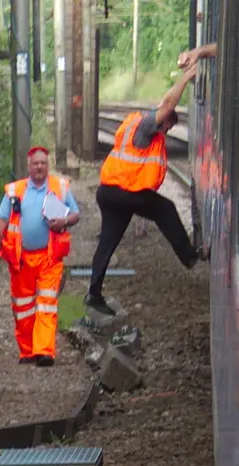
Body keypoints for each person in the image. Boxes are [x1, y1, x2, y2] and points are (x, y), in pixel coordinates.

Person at [85, 61, 202, 314]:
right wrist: (185, 78)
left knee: (107, 242)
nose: (169, 130)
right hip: (124, 192)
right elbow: (168, 105)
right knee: (166, 208)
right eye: (169, 125)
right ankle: (190, 257)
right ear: (162, 118)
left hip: (109, 193)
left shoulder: (136, 125)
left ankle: (93, 294)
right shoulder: (146, 126)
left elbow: (164, 107)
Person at [0, 147, 80, 365]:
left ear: (48, 165)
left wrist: (64, 221)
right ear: (29, 166)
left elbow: (75, 214)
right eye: (36, 163)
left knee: (47, 304)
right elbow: (1, 221)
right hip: (21, 260)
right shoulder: (14, 191)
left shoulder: (60, 187)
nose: (39, 167)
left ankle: (44, 352)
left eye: (43, 163)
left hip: (49, 257)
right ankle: (27, 351)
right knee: (23, 307)